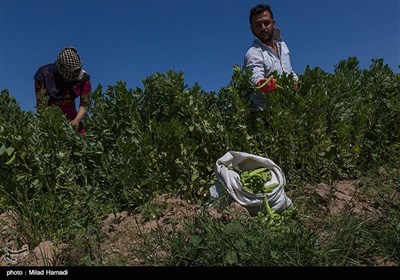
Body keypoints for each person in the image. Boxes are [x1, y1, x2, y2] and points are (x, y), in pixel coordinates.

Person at [244, 4, 298, 126]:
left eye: (266, 23)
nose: (263, 28)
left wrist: (297, 81)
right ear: (252, 29)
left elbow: (289, 70)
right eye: (258, 25)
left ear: (273, 23)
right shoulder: (253, 53)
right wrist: (262, 83)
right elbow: (254, 77)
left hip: (286, 111)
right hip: (264, 116)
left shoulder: (282, 45)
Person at [34, 46, 91, 135]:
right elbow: (40, 105)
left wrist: (76, 120)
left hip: (73, 118)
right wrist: (49, 124)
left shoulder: (83, 78)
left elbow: (85, 104)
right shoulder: (43, 75)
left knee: (82, 141)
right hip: (50, 117)